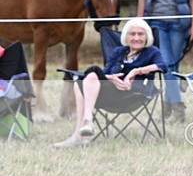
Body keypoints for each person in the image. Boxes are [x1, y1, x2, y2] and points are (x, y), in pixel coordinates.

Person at [53, 18, 167, 148]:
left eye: (140, 34)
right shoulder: (118, 52)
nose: (136, 38)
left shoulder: (152, 52)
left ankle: (83, 129)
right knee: (83, 79)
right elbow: (104, 73)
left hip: (134, 94)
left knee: (87, 77)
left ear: (147, 37)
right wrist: (111, 78)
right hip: (110, 94)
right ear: (126, 37)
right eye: (132, 34)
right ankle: (83, 128)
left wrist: (136, 71)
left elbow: (162, 66)